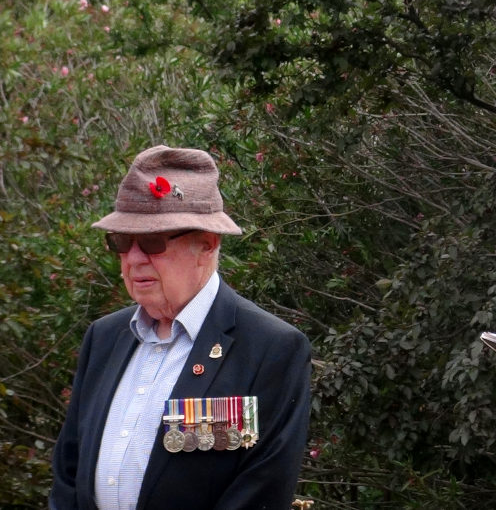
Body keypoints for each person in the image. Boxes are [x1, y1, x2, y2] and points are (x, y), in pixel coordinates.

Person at [50, 145, 312, 509]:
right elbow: (68, 472)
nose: (134, 258)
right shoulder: (104, 337)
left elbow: (261, 490)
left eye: (153, 242)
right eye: (122, 242)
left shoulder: (270, 348)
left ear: (206, 244)